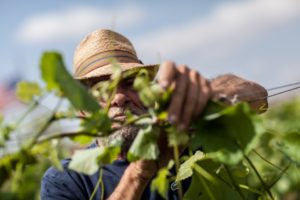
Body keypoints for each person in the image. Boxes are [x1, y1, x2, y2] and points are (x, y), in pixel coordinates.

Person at [41, 29, 268, 200]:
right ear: (82, 110)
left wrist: (210, 92)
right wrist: (140, 172)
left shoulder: (187, 136)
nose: (119, 97)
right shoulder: (66, 179)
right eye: (102, 90)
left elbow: (258, 98)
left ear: (150, 90)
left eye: (129, 83)